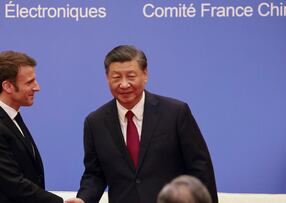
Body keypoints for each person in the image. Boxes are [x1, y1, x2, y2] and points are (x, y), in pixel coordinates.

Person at [66, 45, 218, 203]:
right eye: (116, 77)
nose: (124, 84)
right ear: (107, 78)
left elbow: (200, 168)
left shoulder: (175, 113)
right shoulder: (95, 122)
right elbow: (94, 174)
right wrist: (84, 199)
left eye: (131, 76)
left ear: (145, 74)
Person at [0, 51, 63, 203]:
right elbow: (14, 184)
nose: (37, 87)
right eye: (29, 82)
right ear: (8, 86)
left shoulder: (11, 117)